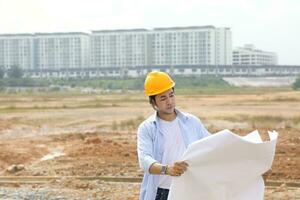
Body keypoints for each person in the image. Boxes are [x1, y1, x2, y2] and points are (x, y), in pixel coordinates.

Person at [137, 71, 211, 200]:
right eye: (163, 98)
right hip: (161, 193)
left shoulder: (192, 122)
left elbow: (212, 145)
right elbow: (144, 160)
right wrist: (168, 169)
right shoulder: (147, 128)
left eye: (171, 95)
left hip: (190, 190)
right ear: (153, 102)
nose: (169, 101)